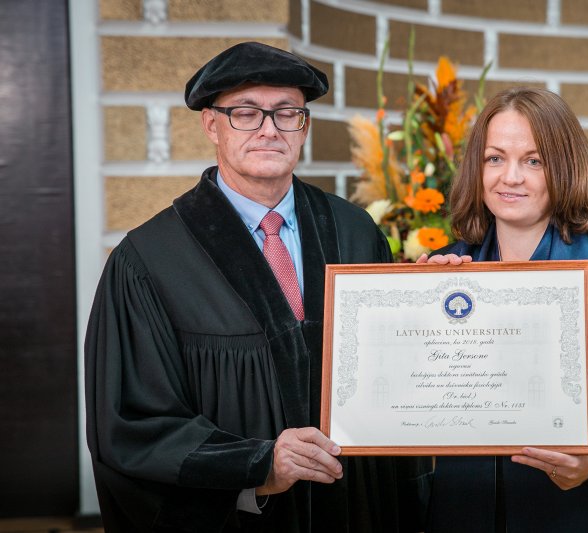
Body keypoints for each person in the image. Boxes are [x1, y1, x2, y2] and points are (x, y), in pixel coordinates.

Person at [84, 42, 431, 533]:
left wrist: (444, 295)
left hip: (358, 507)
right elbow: (132, 424)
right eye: (246, 113)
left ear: (303, 126)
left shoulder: (354, 231)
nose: (270, 129)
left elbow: (404, 365)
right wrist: (258, 466)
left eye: (287, 113)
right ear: (211, 124)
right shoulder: (149, 261)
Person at [419, 87, 588, 532]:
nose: (511, 177)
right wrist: (421, 305)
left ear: (563, 166)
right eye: (495, 158)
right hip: (459, 507)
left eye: (534, 160)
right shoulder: (444, 272)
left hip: (574, 512)